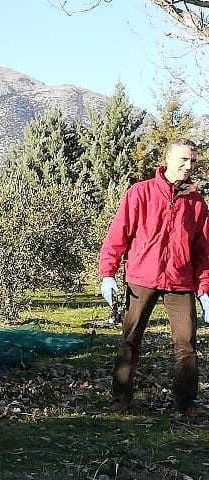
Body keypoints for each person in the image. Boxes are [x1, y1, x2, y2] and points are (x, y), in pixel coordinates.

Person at [99, 138, 209, 416]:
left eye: (193, 161)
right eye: (183, 159)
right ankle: (121, 398)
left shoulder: (196, 203)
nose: (188, 165)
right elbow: (118, 235)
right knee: (131, 338)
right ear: (168, 160)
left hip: (180, 281)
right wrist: (108, 273)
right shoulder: (141, 193)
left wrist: (205, 289)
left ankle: (186, 403)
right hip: (142, 278)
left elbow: (203, 251)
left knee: (186, 342)